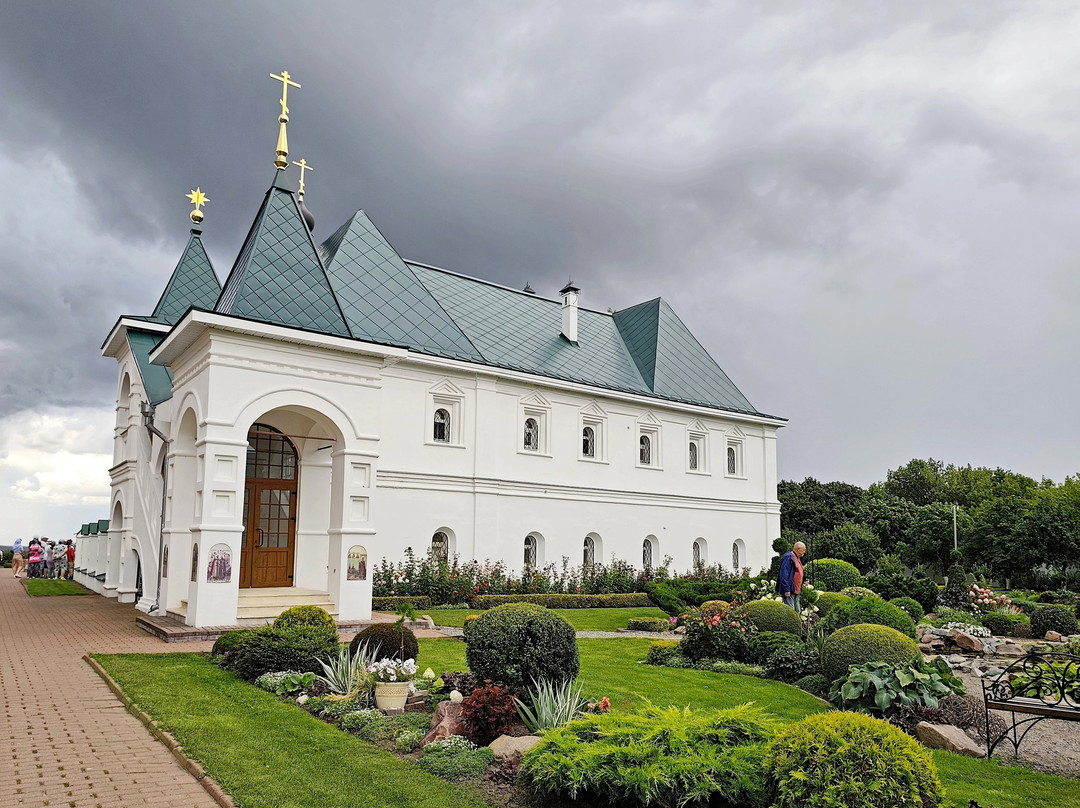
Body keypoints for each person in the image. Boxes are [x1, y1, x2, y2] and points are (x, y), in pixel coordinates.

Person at [776, 541, 806, 613]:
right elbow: (783, 574)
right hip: (790, 590)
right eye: (803, 550)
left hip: (796, 590)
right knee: (791, 612)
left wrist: (804, 580)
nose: (804, 552)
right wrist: (786, 589)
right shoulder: (789, 557)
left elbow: (798, 571)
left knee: (797, 611)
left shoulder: (797, 558)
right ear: (798, 549)